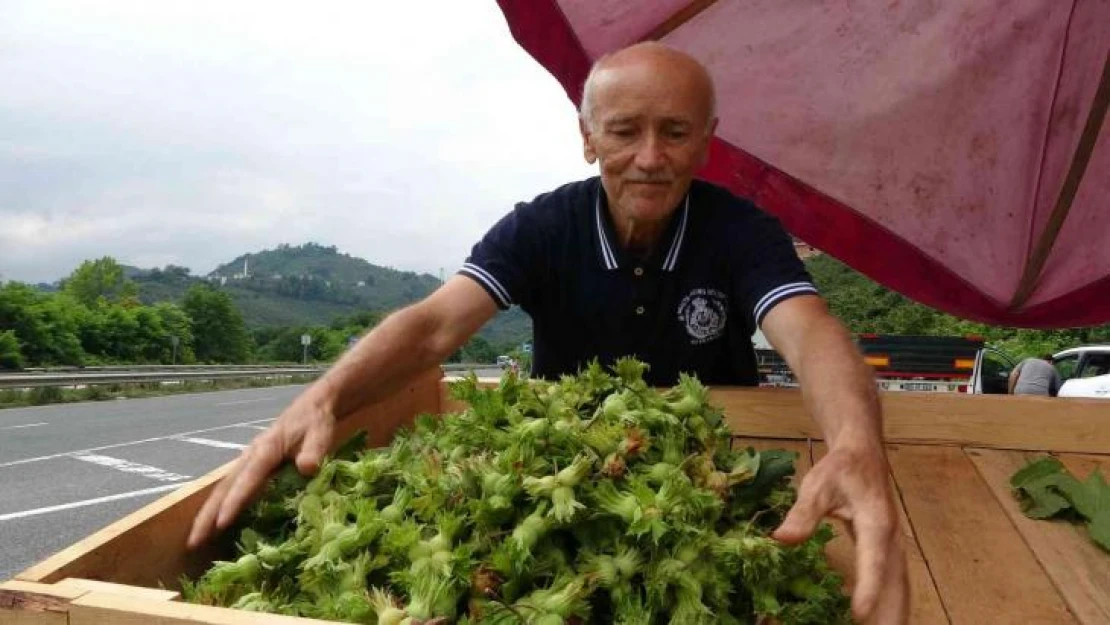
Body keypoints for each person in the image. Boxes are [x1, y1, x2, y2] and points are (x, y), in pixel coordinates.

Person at [188, 42, 909, 623]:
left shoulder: (742, 232)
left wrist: (854, 443)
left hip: (703, 477)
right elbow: (436, 325)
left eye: (676, 132)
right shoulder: (542, 227)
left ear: (707, 141)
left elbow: (812, 335)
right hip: (564, 465)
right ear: (588, 138)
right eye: (625, 131)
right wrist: (326, 394)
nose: (651, 157)